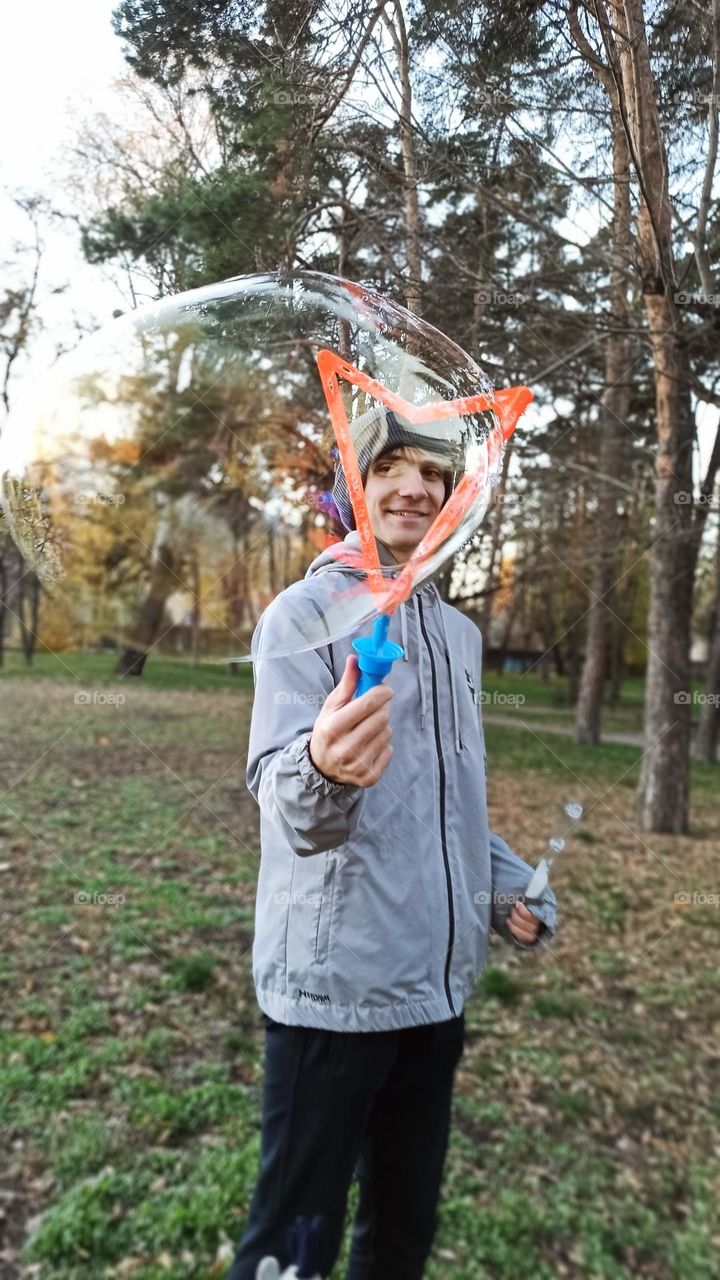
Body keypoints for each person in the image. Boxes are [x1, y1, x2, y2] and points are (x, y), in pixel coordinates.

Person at [226, 405, 558, 1280]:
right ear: (355, 484)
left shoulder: (456, 636)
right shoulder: (304, 616)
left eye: (433, 475)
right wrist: (322, 767)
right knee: (290, 1252)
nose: (415, 486)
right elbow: (289, 807)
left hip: (434, 996)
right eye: (391, 468)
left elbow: (447, 808)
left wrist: (505, 888)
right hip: (333, 999)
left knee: (401, 1238)